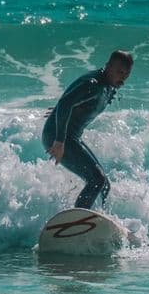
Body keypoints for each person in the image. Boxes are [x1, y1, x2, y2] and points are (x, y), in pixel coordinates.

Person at [42, 50, 134, 209]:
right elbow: (66, 102)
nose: (123, 78)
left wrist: (60, 110)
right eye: (119, 72)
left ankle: (95, 221)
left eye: (126, 74)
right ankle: (77, 223)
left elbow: (70, 102)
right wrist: (59, 140)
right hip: (59, 137)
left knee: (104, 184)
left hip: (71, 137)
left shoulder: (110, 85)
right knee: (97, 180)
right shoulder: (94, 85)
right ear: (108, 66)